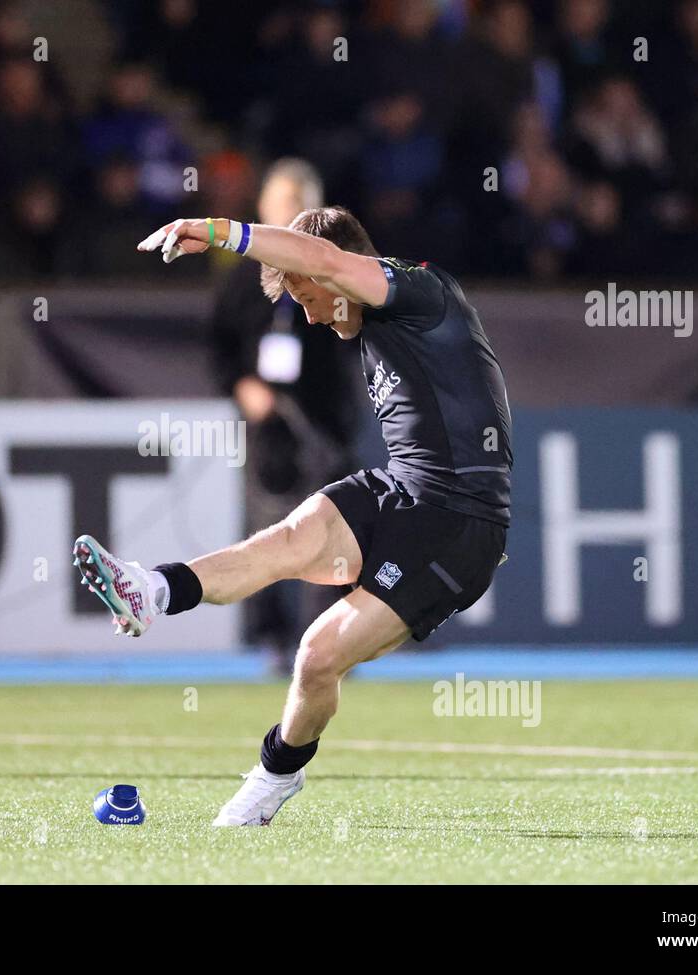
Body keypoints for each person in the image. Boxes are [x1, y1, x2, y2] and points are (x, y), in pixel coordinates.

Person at [73, 207, 512, 826]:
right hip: (402, 491)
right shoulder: (372, 327)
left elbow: (328, 261)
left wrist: (221, 232)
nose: (305, 312)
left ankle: (273, 779)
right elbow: (323, 272)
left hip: (458, 525)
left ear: (337, 271)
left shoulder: (417, 287)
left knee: (315, 657)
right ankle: (150, 591)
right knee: (285, 539)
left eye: (306, 292)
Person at [208, 159, 360, 674]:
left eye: (298, 205)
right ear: (263, 210)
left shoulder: (338, 268)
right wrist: (241, 386)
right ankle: (271, 637)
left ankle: (335, 637)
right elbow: (218, 347)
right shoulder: (242, 280)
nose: (287, 214)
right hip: (268, 424)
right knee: (267, 526)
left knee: (335, 528)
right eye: (279, 204)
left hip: (323, 415)